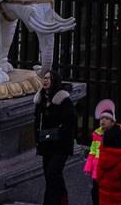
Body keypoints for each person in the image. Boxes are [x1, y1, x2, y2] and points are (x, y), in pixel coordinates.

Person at [33, 68, 77, 205]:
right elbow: (37, 121)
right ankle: (58, 201)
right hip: (46, 144)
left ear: (54, 81)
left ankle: (57, 201)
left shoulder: (63, 100)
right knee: (50, 176)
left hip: (60, 146)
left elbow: (71, 120)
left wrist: (61, 133)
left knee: (53, 173)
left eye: (48, 78)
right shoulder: (41, 99)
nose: (45, 80)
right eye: (44, 78)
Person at [83, 98, 117, 205]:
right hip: (97, 168)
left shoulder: (115, 134)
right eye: (102, 118)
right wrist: (89, 165)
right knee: (95, 191)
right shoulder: (96, 134)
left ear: (112, 122)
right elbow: (92, 151)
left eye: (107, 118)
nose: (103, 120)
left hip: (108, 169)